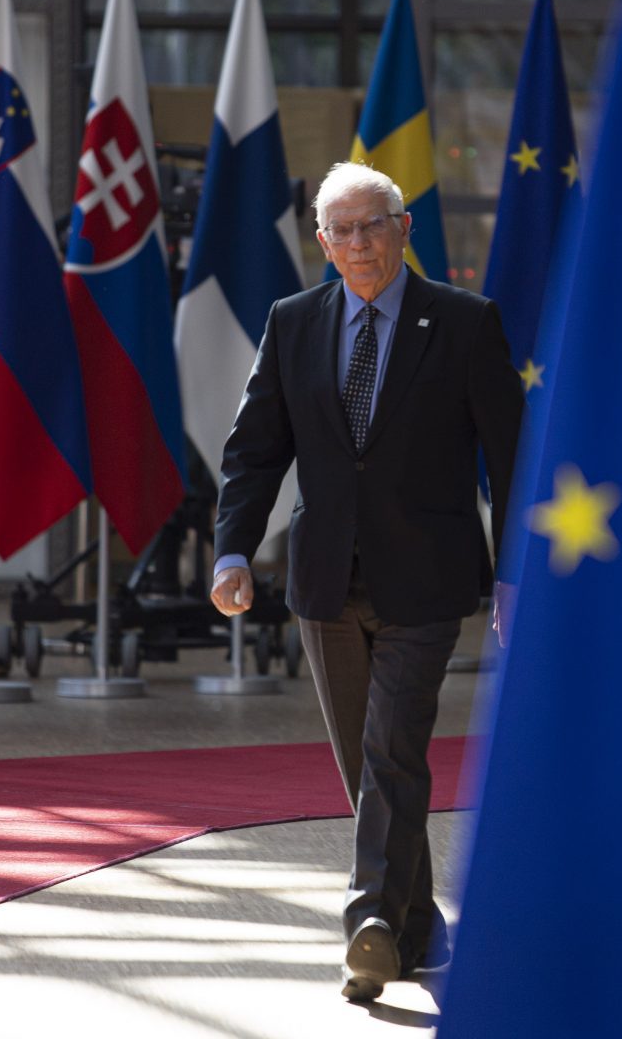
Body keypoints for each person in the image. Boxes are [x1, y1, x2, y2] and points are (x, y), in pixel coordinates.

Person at [210, 163, 524, 1002]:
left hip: (428, 578)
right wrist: (232, 552)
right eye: (340, 232)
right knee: (366, 762)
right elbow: (253, 450)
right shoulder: (293, 322)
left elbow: (513, 457)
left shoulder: (463, 323)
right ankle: (419, 924)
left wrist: (516, 578)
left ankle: (368, 925)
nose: (358, 245)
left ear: (404, 228)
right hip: (325, 580)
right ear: (321, 242)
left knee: (392, 749)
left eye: (372, 227)